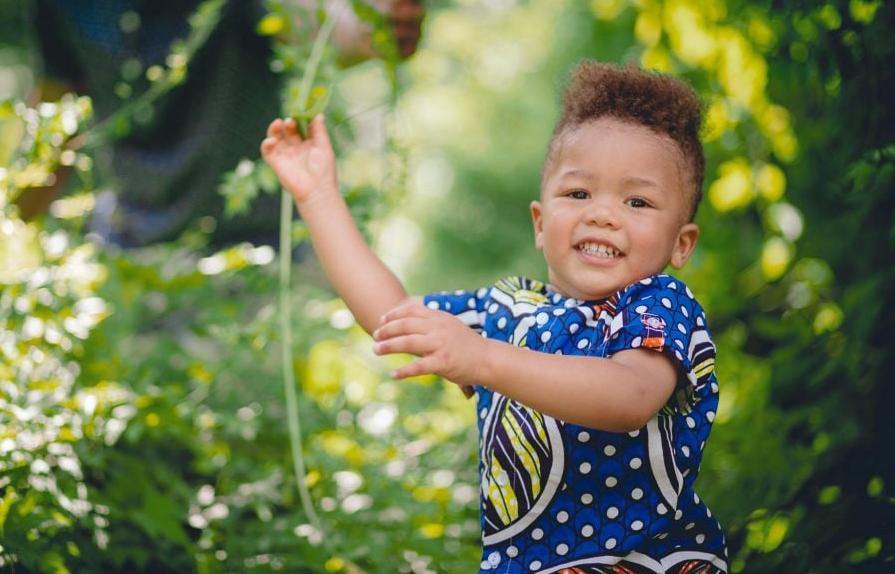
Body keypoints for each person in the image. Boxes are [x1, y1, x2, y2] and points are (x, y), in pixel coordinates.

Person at [261, 61, 729, 573]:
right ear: (540, 220)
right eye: (578, 193)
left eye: (637, 201)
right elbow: (392, 317)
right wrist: (319, 195)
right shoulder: (508, 309)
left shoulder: (659, 304)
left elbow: (629, 396)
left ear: (681, 244)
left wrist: (483, 359)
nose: (603, 214)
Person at [20, 0, 423, 247]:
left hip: (259, 249)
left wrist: (367, 30)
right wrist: (6, 231)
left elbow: (301, 19)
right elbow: (54, 117)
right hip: (132, 243)